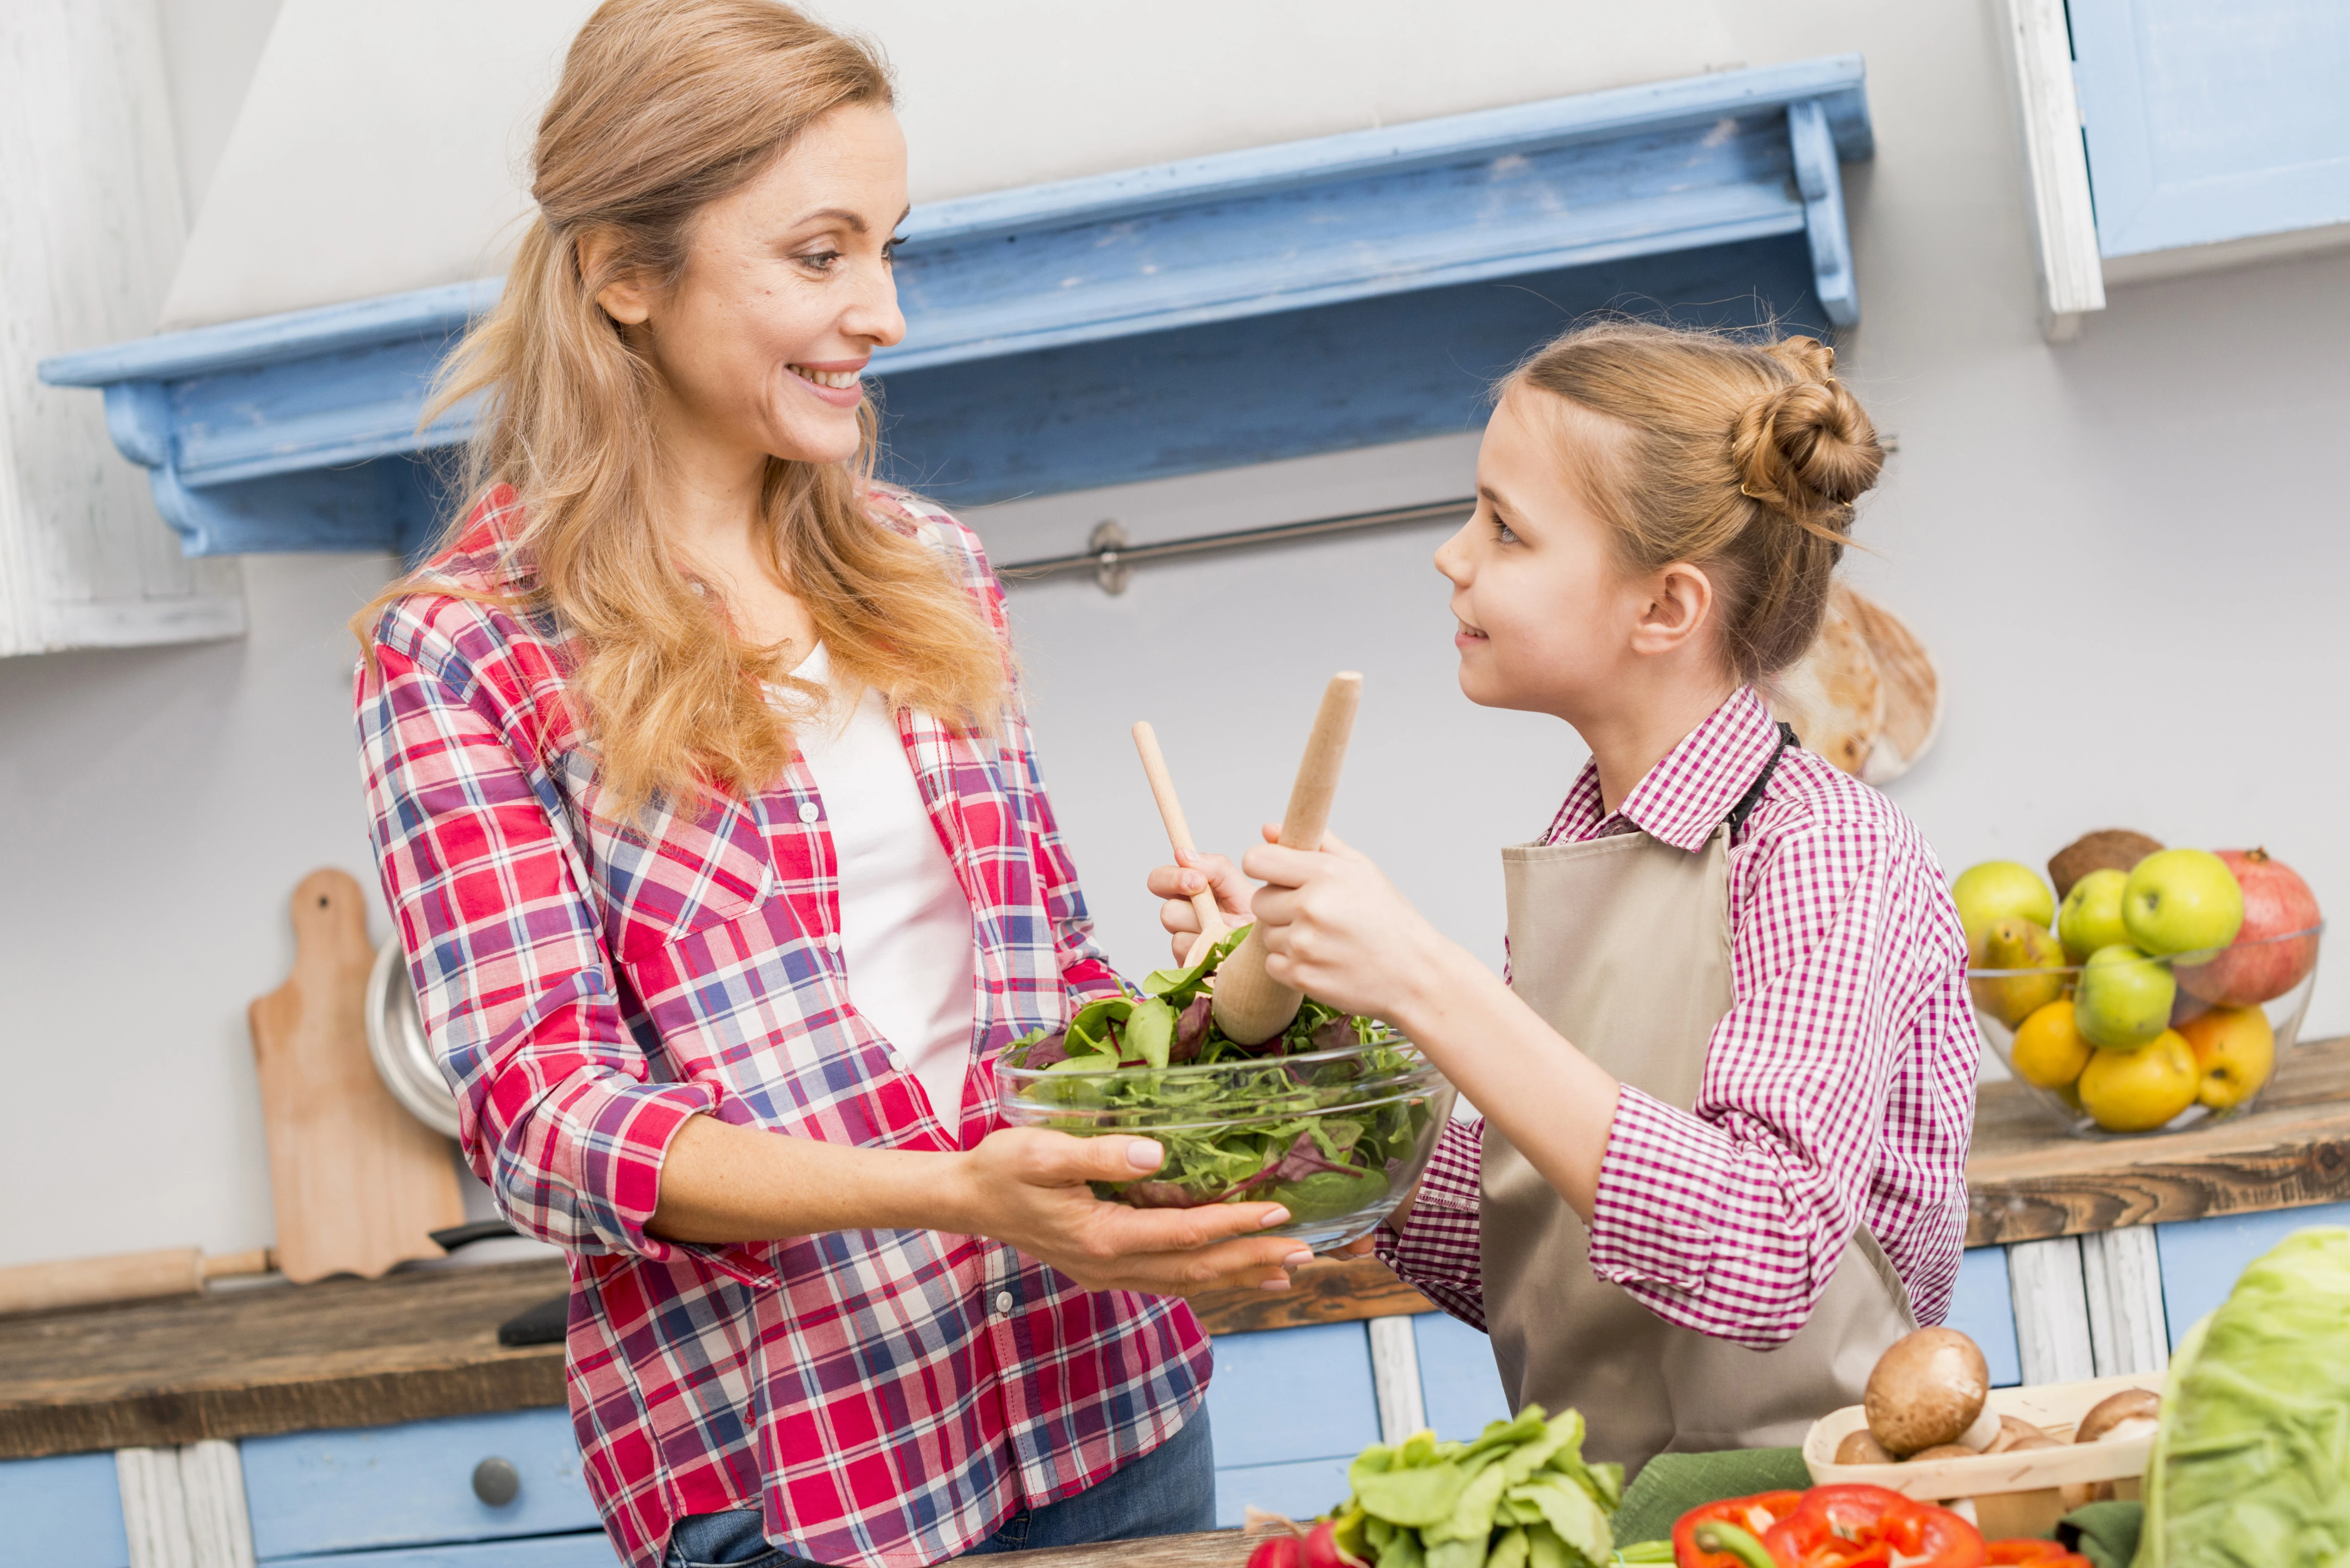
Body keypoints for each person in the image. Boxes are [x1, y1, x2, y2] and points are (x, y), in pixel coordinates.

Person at [353, 5, 1307, 1566]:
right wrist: (958, 1194)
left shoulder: (932, 567)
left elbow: (1047, 991)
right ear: (625, 272)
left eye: (888, 248)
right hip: (800, 1471)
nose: (886, 314)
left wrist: (1205, 1016)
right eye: (819, 256)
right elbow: (549, 1120)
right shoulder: (468, 650)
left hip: (1106, 1401)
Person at [1152, 321, 1976, 1469]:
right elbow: (1534, 1251)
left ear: (1665, 609)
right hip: (1609, 1510)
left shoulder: (1824, 853)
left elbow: (1770, 1249)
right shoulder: (1588, 842)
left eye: (1506, 527)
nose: (1453, 556)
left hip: (1812, 1514)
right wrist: (1296, 1030)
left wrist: (1424, 981)